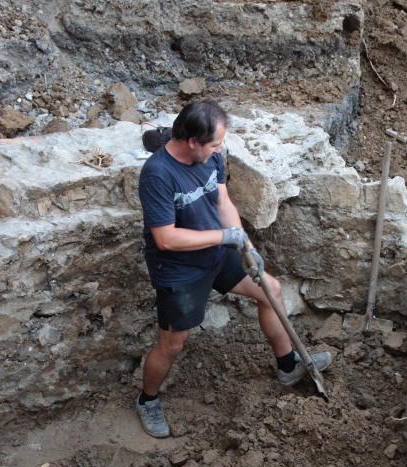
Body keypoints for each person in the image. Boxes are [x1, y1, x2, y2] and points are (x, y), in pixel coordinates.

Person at [135, 100, 332, 438]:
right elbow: (166, 238)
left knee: (270, 290)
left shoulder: (210, 157)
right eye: (214, 144)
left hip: (216, 253)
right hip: (179, 270)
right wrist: (224, 236)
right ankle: (147, 399)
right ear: (192, 141)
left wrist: (248, 250)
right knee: (173, 344)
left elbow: (223, 203)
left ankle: (288, 367)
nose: (219, 150)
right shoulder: (157, 175)